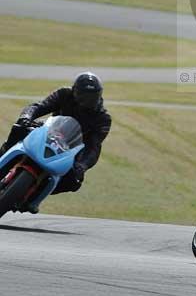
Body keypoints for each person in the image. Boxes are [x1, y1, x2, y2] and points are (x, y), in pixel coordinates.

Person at [0, 72, 112, 209]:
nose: (87, 100)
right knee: (19, 128)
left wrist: (82, 166)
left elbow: (94, 147)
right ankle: (4, 154)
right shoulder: (64, 94)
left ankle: (35, 194)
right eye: (83, 95)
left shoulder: (103, 118)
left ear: (99, 95)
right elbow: (38, 106)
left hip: (71, 150)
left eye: (92, 97)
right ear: (75, 91)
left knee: (74, 181)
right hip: (48, 133)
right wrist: (26, 117)